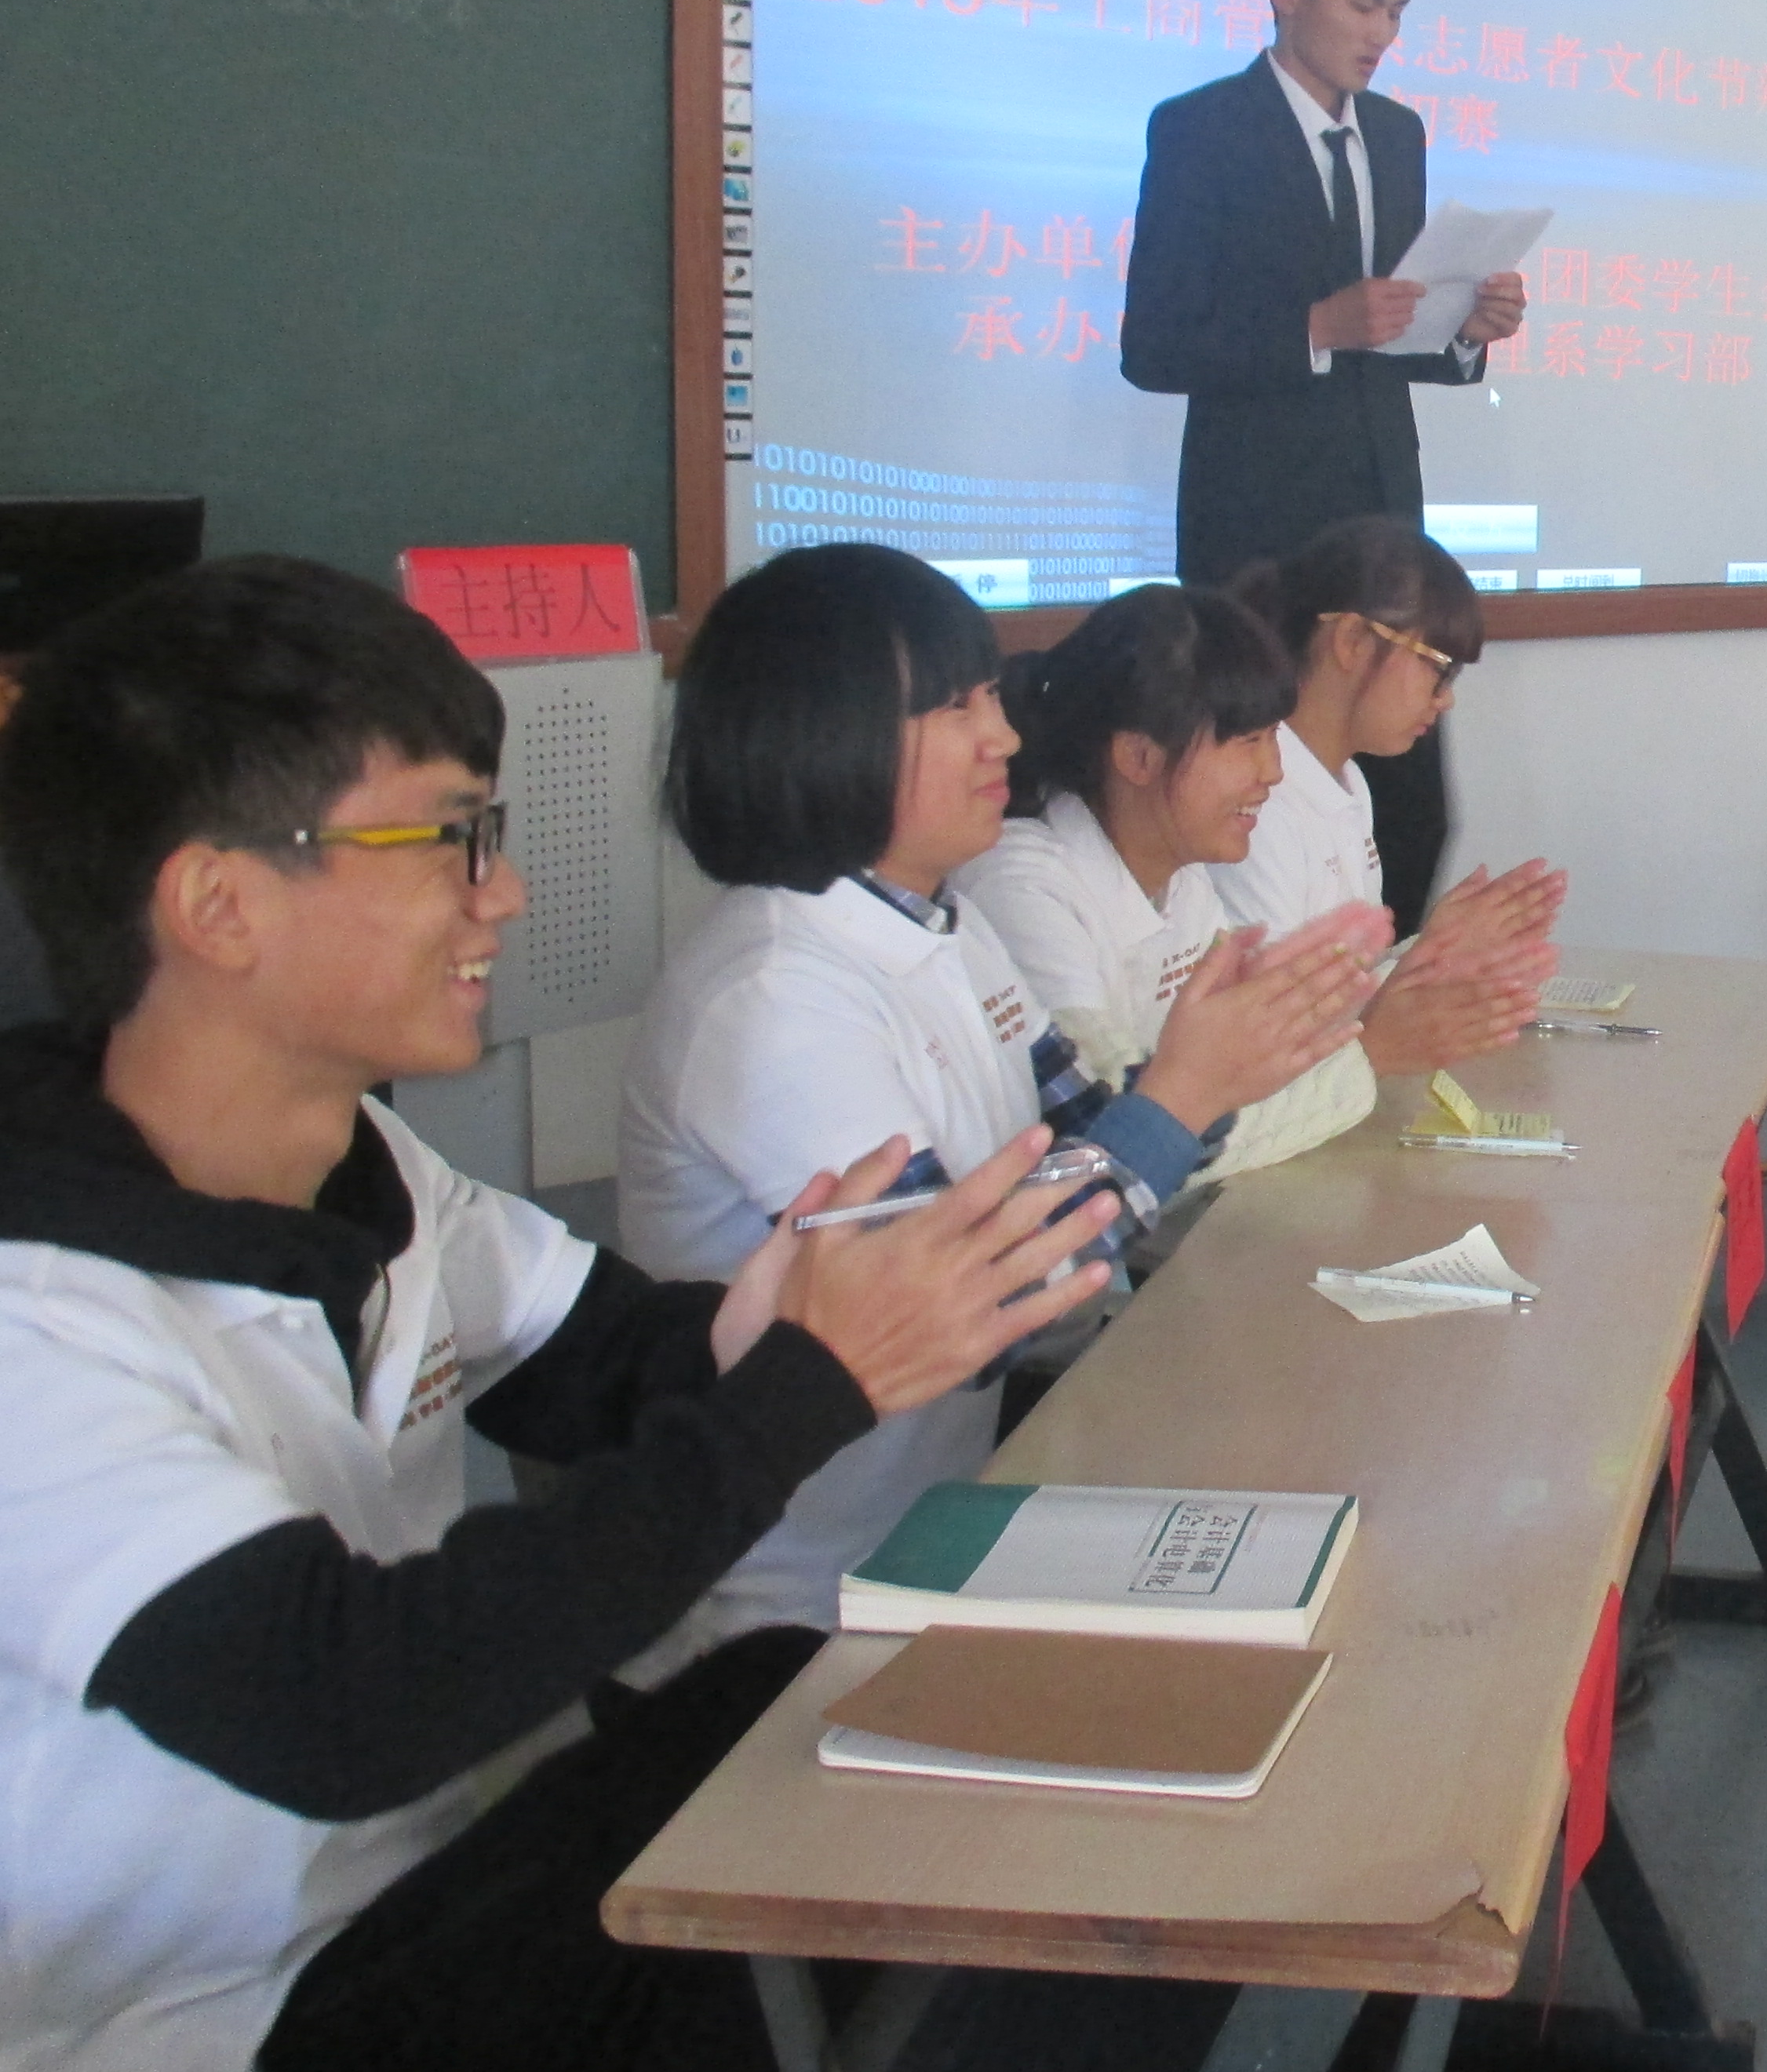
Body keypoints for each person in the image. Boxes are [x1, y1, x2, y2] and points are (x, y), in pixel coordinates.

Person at [0, 555, 1109, 2071]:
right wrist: (808, 1378)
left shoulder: (368, 1165)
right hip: (193, 2025)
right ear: (218, 904)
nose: (503, 894)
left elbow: (615, 1359)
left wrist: (779, 1318)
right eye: (450, 839)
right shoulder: (39, 1319)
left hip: (394, 1912)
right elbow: (347, 1702)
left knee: (835, 1741)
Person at [618, 544, 1375, 1672]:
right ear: (826, 731)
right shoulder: (777, 995)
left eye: (990, 697)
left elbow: (1083, 1133)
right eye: (956, 709)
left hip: (937, 1527)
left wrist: (1221, 1069)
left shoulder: (942, 923)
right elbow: (974, 1311)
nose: (1006, 739)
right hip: (785, 1621)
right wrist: (1187, 1094)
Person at [1121, 0, 1528, 928]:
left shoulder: (1396, 135)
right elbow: (1153, 343)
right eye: (1363, 4)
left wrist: (1466, 332)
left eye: (1398, 12)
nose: (1382, 34)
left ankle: (1378, 1003)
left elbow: (1394, 338)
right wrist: (1314, 326)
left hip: (1385, 538)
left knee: (1411, 812)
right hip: (1257, 545)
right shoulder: (1201, 129)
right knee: (1255, 823)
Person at [953, 580, 1550, 1174]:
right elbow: (1113, 1147)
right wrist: (1370, 1051)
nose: (1272, 771)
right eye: (1248, 742)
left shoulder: (1182, 878)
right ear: (1139, 757)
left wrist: (1424, 964)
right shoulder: (1025, 891)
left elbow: (1246, 1067)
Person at [1218, 518, 1565, 1054]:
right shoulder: (1257, 804)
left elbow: (1349, 994)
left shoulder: (1348, 782)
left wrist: (1434, 955)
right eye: (1440, 669)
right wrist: (1422, 967)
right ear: (1353, 640)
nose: (1446, 699)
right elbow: (1273, 1047)